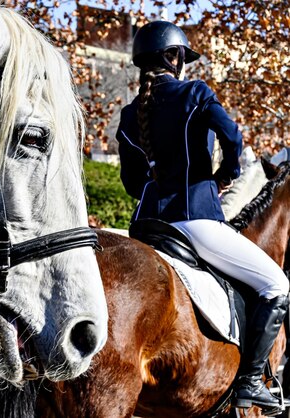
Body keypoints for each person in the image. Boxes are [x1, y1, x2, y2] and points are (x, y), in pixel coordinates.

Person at [116, 20, 289, 412]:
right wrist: (223, 177)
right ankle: (249, 384)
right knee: (276, 285)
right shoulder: (195, 92)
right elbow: (233, 138)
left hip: (144, 226)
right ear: (174, 57)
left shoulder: (128, 116)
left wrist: (152, 191)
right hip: (196, 221)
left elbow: (130, 180)